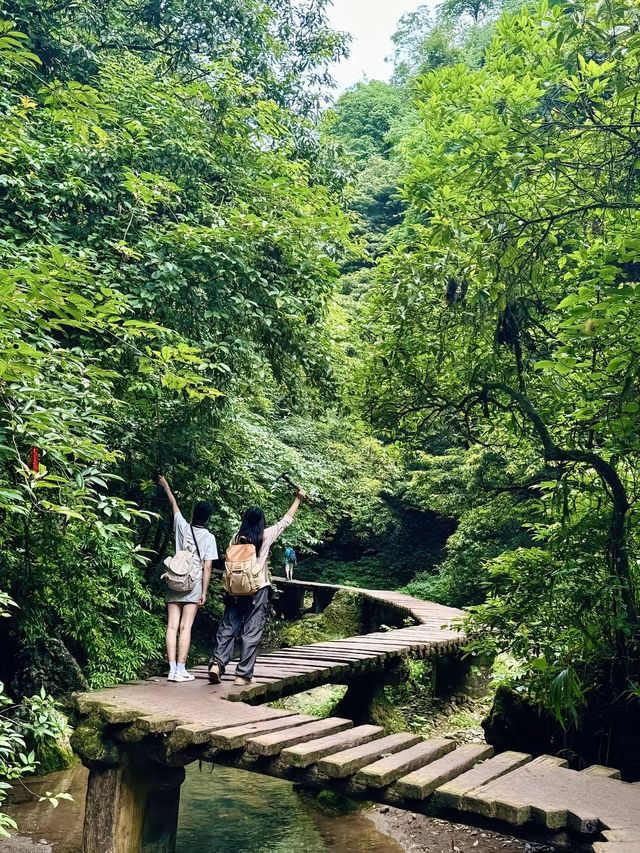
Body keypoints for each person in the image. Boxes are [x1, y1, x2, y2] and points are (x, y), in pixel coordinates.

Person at [208, 487, 307, 686]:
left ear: (244, 520)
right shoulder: (265, 535)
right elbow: (285, 521)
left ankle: (217, 664)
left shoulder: (236, 538)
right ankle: (243, 675)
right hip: (257, 588)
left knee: (229, 625)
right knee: (251, 629)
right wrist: (298, 498)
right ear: (261, 521)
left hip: (235, 589)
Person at [158, 475, 218, 683]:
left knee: (171, 626)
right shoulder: (209, 538)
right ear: (208, 518)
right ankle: (181, 670)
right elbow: (208, 566)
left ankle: (171, 669)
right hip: (193, 583)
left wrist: (167, 487)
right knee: (185, 627)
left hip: (175, 578)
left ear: (194, 514)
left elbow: (174, 506)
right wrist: (204, 592)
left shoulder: (182, 526)